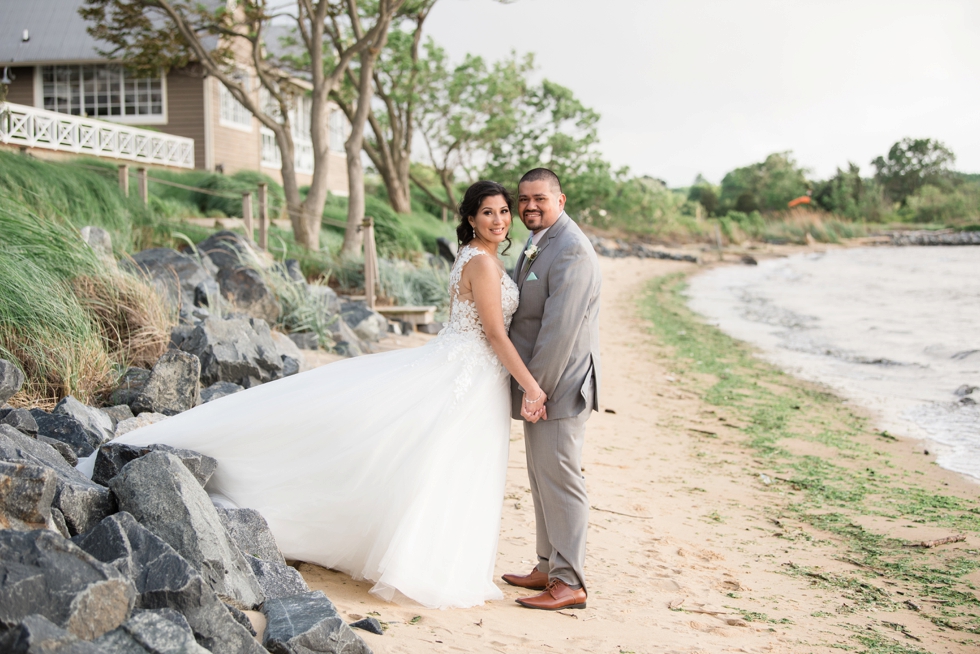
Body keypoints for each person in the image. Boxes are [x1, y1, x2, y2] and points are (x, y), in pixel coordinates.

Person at [88, 180, 546, 609]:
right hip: (464, 372)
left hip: (465, 370)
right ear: (469, 218)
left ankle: (432, 554)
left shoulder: (472, 255)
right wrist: (530, 384)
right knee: (438, 461)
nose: (500, 220)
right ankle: (427, 563)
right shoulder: (483, 262)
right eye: (488, 212)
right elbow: (493, 334)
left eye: (505, 211)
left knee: (436, 460)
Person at [502, 168, 602, 611]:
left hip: (559, 384)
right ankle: (547, 565)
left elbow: (558, 332)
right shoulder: (539, 238)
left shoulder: (572, 250)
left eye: (539, 198)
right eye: (523, 199)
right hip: (541, 384)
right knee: (541, 478)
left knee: (561, 480)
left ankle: (570, 581)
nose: (529, 207)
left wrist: (534, 390)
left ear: (560, 199)